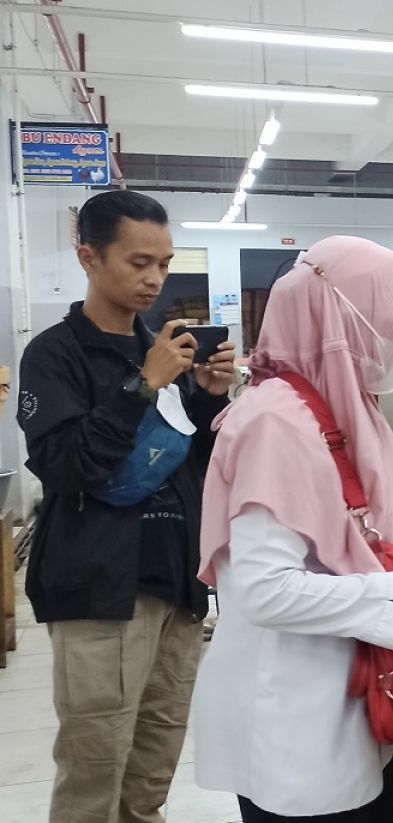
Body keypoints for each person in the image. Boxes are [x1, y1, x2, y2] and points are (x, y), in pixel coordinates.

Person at [191, 236, 393, 822]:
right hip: (297, 722)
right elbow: (267, 589)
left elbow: (346, 537)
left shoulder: (331, 409)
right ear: (346, 323)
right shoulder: (276, 424)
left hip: (345, 704)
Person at [17, 190, 236, 823]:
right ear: (88, 257)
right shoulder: (54, 355)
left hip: (178, 587)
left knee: (150, 778)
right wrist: (144, 385)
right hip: (100, 590)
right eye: (139, 262)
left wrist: (204, 400)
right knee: (93, 778)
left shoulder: (165, 351)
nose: (154, 279)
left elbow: (181, 466)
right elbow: (66, 466)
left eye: (164, 263)